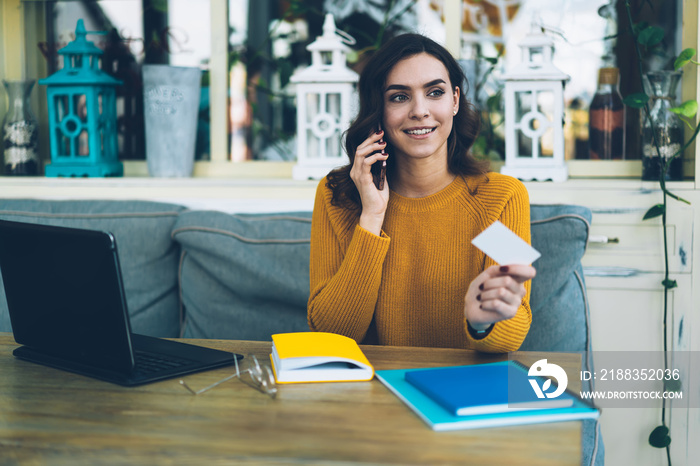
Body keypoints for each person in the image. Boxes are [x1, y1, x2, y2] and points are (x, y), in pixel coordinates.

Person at [307, 33, 536, 353]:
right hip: (370, 393)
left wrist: (482, 322)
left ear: (455, 100)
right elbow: (331, 336)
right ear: (379, 108)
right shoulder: (338, 196)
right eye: (399, 97)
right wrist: (371, 216)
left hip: (459, 390)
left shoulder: (501, 197)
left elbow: (514, 327)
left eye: (435, 92)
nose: (420, 110)